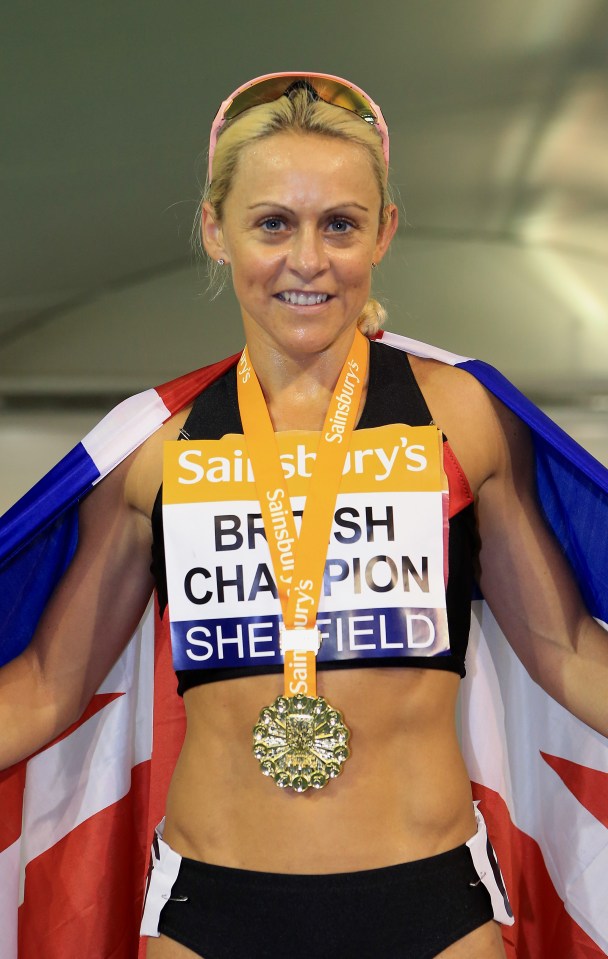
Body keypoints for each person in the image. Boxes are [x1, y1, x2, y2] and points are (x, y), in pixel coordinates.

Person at [1, 72, 607, 959]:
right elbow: (51, 683)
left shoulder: (461, 416)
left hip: (430, 903)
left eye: (341, 225)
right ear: (216, 230)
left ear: (384, 231)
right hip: (207, 909)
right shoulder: (156, 448)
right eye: (273, 223)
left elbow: (565, 652)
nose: (308, 260)